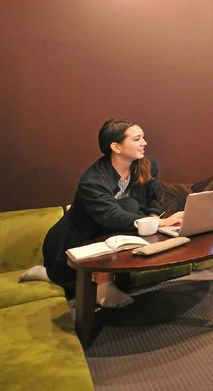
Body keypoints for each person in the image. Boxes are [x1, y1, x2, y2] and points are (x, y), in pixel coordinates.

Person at [41, 119, 183, 308]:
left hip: (110, 237)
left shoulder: (147, 165)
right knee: (70, 287)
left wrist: (153, 219)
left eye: (143, 137)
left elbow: (152, 198)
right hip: (73, 239)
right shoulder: (92, 180)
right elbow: (112, 217)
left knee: (131, 206)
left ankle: (101, 285)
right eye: (137, 139)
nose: (144, 143)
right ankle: (52, 275)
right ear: (116, 147)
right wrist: (162, 223)